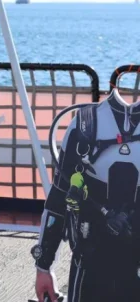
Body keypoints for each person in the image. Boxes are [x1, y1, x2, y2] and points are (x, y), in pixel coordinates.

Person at [32, 88, 140, 302]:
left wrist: (43, 267)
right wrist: (43, 266)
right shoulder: (85, 127)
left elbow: (57, 200)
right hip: (90, 262)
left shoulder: (83, 126)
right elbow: (59, 200)